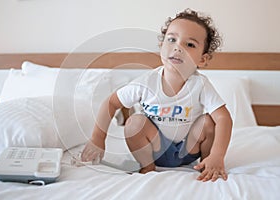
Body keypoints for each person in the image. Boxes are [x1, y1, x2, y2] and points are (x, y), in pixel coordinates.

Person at [81, 8, 232, 182]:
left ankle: (208, 164)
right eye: (172, 40)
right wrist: (97, 138)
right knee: (134, 122)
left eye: (189, 44)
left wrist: (218, 155)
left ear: (202, 60)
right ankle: (147, 167)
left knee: (208, 122)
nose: (178, 47)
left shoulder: (200, 84)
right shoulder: (146, 82)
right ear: (161, 46)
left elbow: (224, 119)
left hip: (189, 149)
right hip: (155, 150)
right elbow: (111, 102)